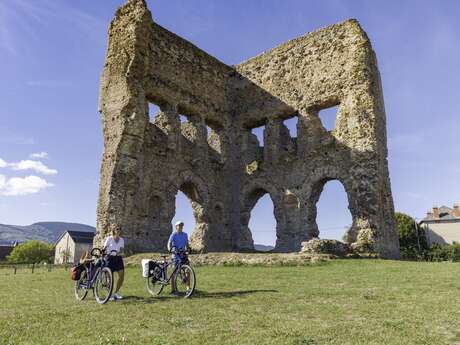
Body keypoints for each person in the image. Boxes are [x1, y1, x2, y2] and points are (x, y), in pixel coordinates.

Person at [167, 221, 189, 294]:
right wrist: (170, 249)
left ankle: (188, 288)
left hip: (183, 254)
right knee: (174, 273)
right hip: (175, 255)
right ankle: (173, 290)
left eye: (182, 225)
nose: (180, 227)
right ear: (176, 227)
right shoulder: (173, 235)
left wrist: (188, 249)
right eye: (179, 225)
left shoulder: (185, 235)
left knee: (187, 271)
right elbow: (169, 243)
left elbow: (187, 244)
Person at [103, 228, 125, 301]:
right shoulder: (109, 239)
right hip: (110, 258)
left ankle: (116, 292)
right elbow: (104, 247)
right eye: (117, 229)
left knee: (121, 276)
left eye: (119, 229)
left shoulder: (121, 240)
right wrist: (103, 252)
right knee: (109, 277)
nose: (118, 231)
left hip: (118, 258)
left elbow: (121, 249)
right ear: (114, 230)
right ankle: (109, 294)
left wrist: (120, 253)